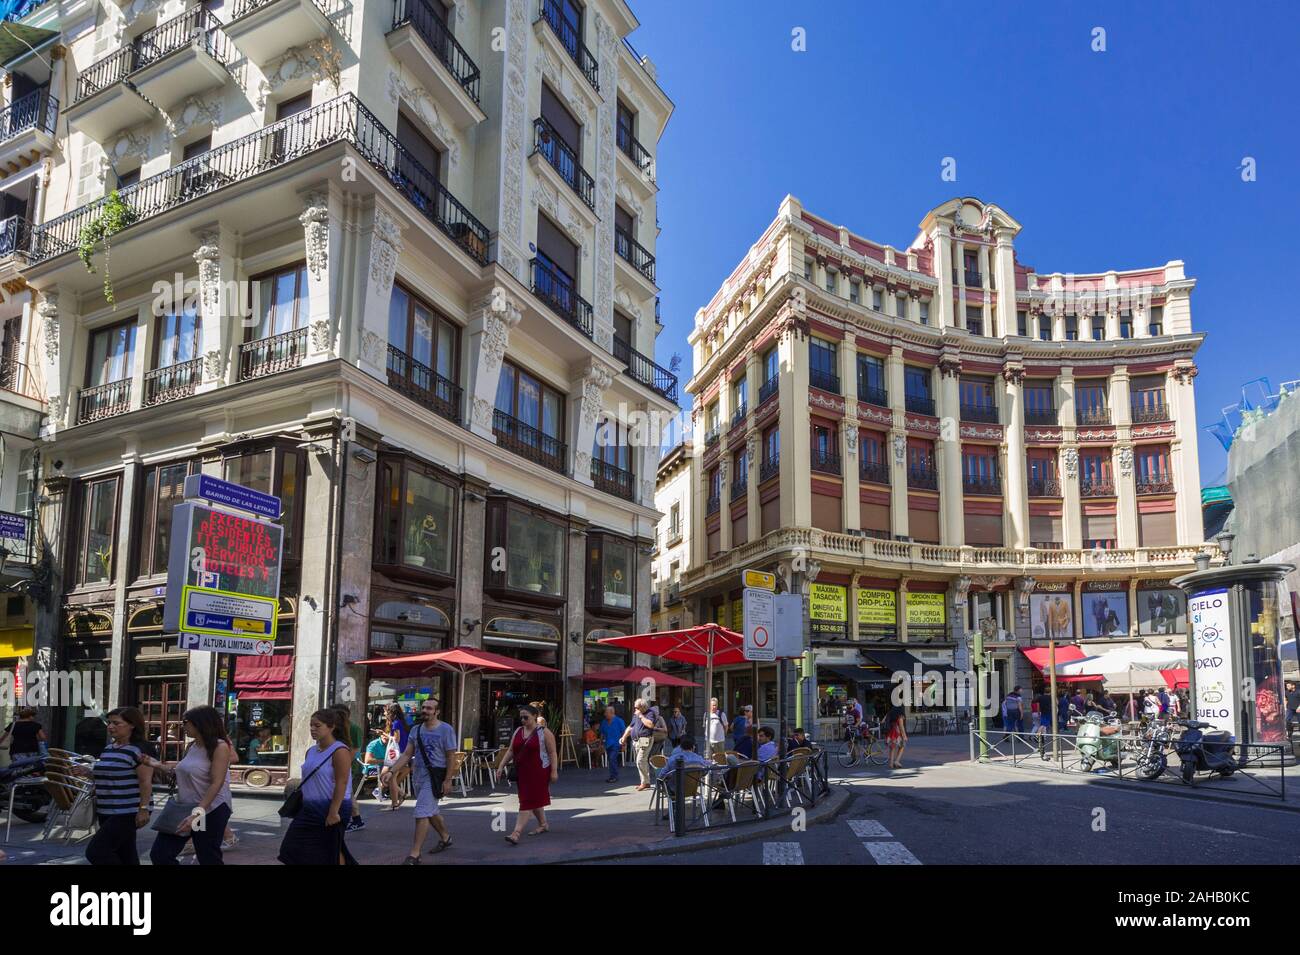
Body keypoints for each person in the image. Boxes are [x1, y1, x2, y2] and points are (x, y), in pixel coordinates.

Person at [149, 706, 234, 866]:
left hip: (210, 811)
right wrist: (156, 765)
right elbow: (181, 773)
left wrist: (197, 814)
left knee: (208, 857)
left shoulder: (220, 746)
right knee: (160, 854)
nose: (182, 726)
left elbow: (217, 783)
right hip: (184, 808)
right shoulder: (192, 746)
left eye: (185, 722)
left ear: (201, 723)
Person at [380, 697, 457, 864]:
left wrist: (448, 779)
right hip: (418, 776)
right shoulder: (416, 730)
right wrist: (392, 771)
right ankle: (445, 837)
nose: (425, 711)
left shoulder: (446, 730)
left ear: (437, 712)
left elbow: (451, 756)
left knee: (422, 810)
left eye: (430, 708)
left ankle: (415, 854)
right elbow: (407, 754)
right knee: (430, 811)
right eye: (424, 707)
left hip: (435, 776)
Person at [277, 708, 357, 865]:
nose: (312, 729)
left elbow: (342, 782)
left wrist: (333, 811)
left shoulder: (340, 750)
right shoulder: (311, 751)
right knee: (291, 848)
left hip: (332, 807)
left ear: (331, 727)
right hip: (308, 808)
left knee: (330, 849)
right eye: (311, 725)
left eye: (317, 725)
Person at [83, 707, 153, 865]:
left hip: (128, 811)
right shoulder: (108, 749)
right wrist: (88, 772)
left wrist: (143, 809)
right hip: (106, 809)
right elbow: (109, 774)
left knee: (96, 852)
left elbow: (145, 781)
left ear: (132, 725)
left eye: (116, 723)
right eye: (109, 723)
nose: (110, 726)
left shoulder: (139, 750)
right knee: (125, 854)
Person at [497, 704, 558, 844]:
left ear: (535, 716)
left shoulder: (544, 732)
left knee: (526, 801)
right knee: (532, 799)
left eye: (526, 717)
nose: (523, 720)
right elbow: (511, 750)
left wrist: (554, 771)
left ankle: (516, 832)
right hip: (522, 772)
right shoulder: (518, 730)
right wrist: (501, 766)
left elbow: (552, 753)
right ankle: (543, 824)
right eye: (521, 717)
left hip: (539, 771)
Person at [620, 698, 657, 792]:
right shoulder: (636, 714)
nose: (635, 709)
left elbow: (650, 725)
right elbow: (631, 727)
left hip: (646, 739)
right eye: (635, 707)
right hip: (636, 741)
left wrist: (641, 716)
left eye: (637, 707)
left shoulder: (650, 713)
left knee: (640, 760)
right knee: (643, 761)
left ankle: (644, 782)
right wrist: (624, 737)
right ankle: (646, 781)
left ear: (643, 707)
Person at [383, 704, 410, 810]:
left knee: (391, 778)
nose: (385, 713)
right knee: (390, 777)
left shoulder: (396, 723)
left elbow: (396, 739)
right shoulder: (402, 722)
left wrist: (386, 735)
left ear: (391, 712)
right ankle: (401, 794)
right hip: (403, 752)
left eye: (387, 712)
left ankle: (394, 804)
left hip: (397, 754)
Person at [599, 705, 626, 783]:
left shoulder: (619, 721)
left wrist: (624, 744)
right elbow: (602, 733)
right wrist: (600, 744)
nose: (605, 714)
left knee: (612, 759)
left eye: (606, 712)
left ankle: (614, 776)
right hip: (607, 744)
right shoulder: (604, 722)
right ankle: (612, 775)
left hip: (616, 744)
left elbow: (624, 733)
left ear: (612, 713)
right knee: (611, 760)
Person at [884, 704, 908, 770]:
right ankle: (897, 761)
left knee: (892, 748)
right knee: (902, 746)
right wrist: (904, 735)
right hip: (897, 733)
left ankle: (891, 764)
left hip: (890, 733)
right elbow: (901, 726)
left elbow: (883, 721)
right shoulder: (900, 715)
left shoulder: (890, 713)